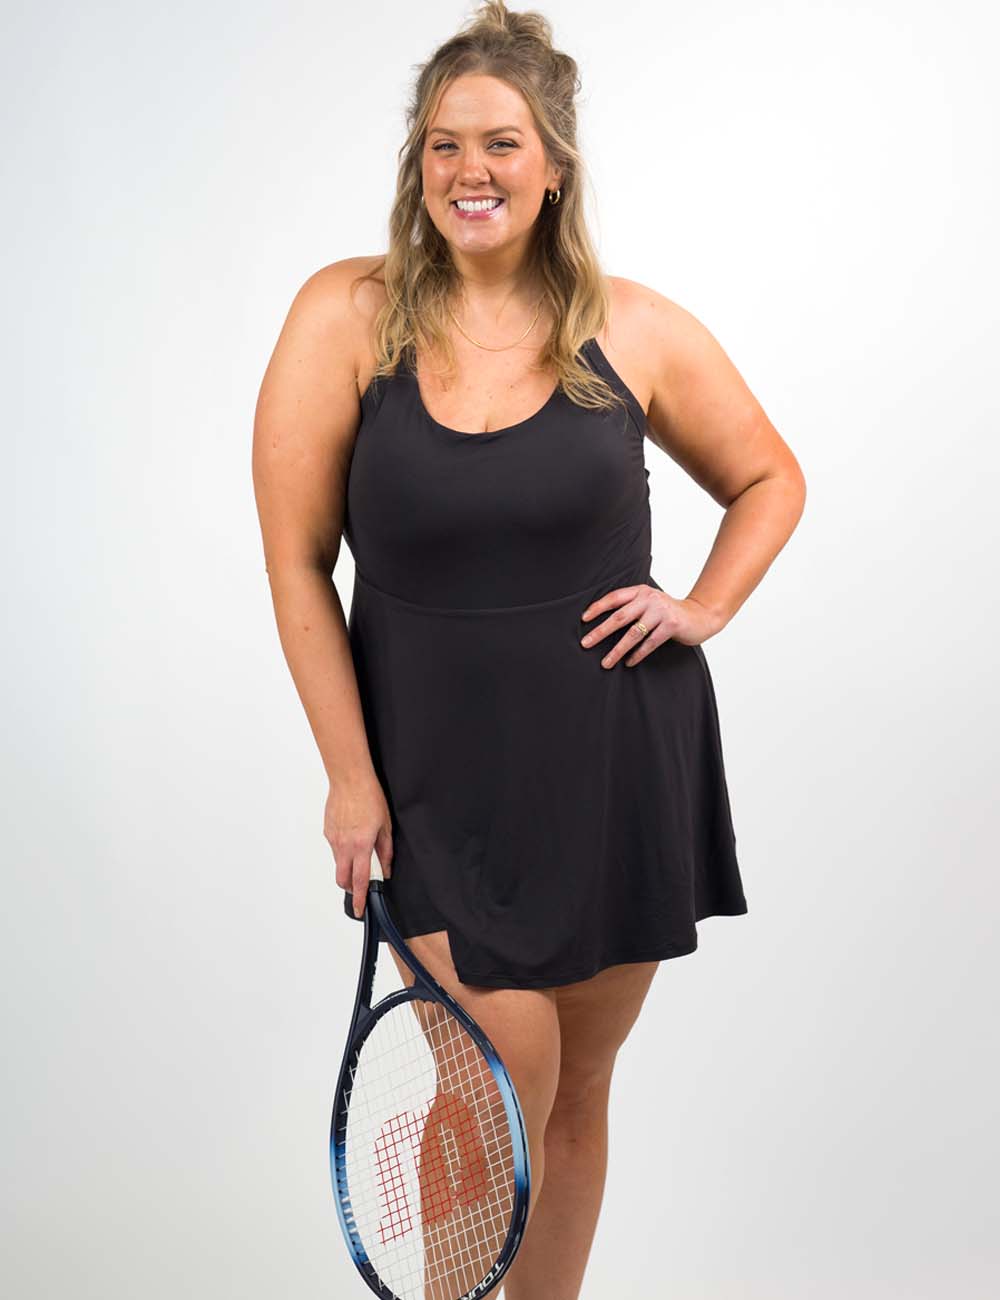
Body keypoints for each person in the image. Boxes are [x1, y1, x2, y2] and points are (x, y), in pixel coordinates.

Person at [252, 2, 805, 1295]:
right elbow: (296, 563)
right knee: (494, 1075)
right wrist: (349, 776)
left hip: (616, 764)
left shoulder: (637, 327)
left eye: (501, 143)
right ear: (418, 162)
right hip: (427, 781)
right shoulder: (347, 315)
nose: (471, 171)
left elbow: (770, 477)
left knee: (575, 1095)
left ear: (554, 165)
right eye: (444, 145)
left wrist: (704, 606)